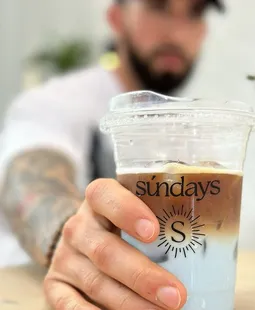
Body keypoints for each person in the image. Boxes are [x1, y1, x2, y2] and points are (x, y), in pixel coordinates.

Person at [0, 0, 224, 309]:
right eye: (158, 6)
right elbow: (27, 183)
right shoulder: (55, 103)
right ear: (116, 18)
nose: (175, 31)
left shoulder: (184, 130)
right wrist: (73, 239)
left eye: (196, 12)